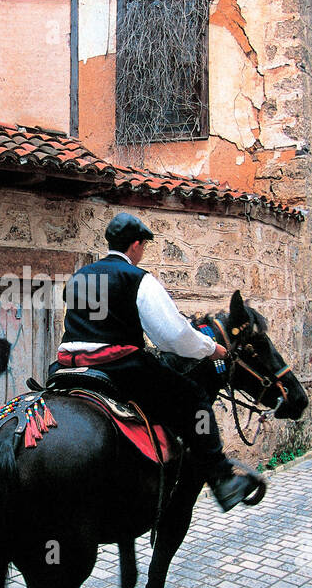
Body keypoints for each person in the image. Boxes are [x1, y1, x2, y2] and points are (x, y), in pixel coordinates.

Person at [53, 211, 262, 512]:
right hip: (118, 366)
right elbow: (172, 336)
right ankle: (223, 480)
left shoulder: (79, 277)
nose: (142, 253)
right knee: (195, 399)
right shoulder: (138, 279)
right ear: (136, 245)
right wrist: (210, 348)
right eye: (143, 247)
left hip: (69, 367)